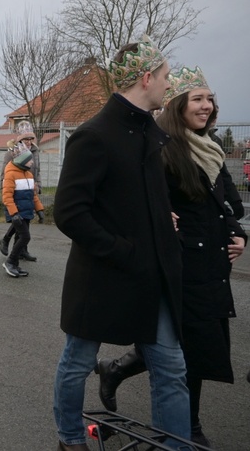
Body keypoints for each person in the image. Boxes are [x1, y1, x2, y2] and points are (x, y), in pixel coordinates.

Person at [94, 66, 247, 447]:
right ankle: (186, 429)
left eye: (210, 99)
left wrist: (238, 235)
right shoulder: (164, 147)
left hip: (211, 264)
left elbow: (229, 206)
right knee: (183, 347)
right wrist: (160, 214)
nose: (207, 106)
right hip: (178, 261)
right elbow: (143, 197)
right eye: (198, 98)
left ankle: (115, 371)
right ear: (178, 105)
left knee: (190, 343)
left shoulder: (210, 148)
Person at [52, 35, 190, 451]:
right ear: (146, 78)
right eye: (166, 76)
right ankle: (71, 439)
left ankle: (175, 445)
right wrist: (123, 249)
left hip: (153, 275)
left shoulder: (150, 130)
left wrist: (157, 217)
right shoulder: (94, 135)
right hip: (104, 274)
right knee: (77, 362)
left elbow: (131, 193)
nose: (170, 84)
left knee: (171, 366)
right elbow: (70, 213)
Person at [0, 121, 42, 261]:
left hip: (29, 189)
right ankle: (8, 243)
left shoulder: (35, 151)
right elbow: (5, 174)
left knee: (26, 221)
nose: (29, 141)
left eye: (31, 138)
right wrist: (6, 191)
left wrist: (38, 186)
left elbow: (37, 171)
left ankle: (22, 250)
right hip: (17, 191)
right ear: (20, 139)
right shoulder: (12, 153)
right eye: (26, 139)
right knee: (19, 220)